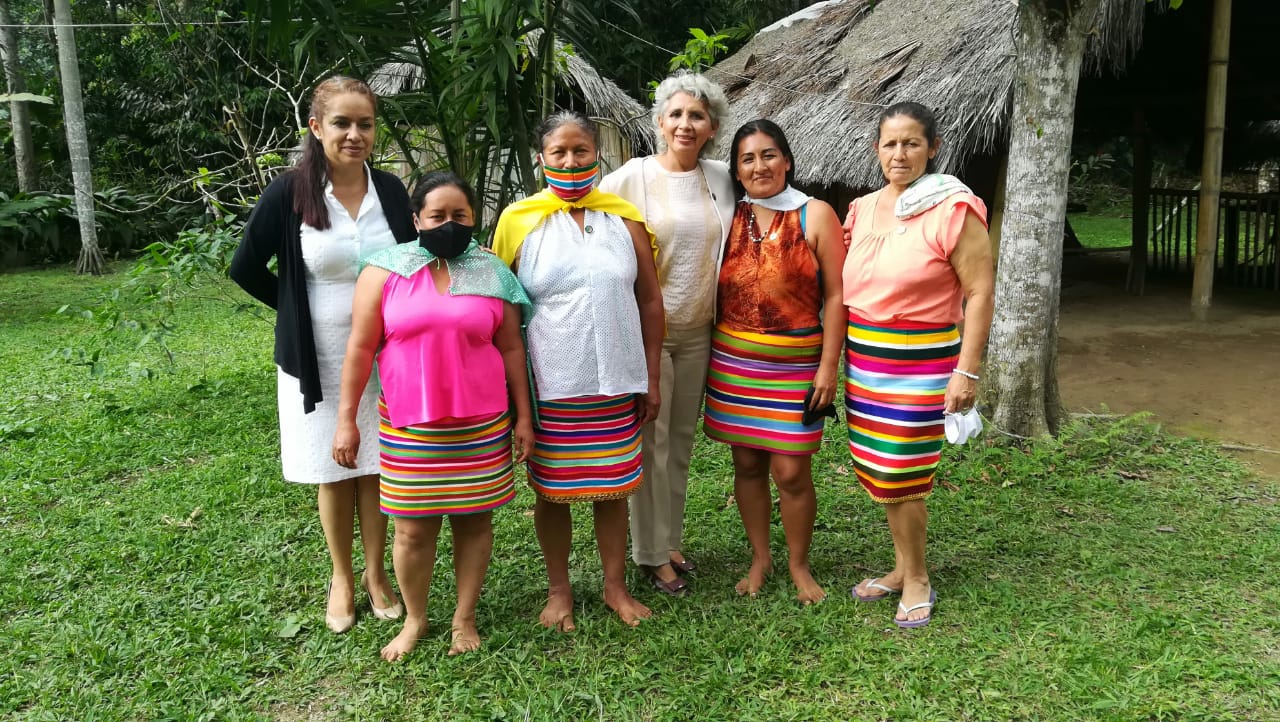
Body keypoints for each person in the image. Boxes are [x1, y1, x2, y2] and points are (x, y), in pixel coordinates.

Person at [331, 172, 535, 661]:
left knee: (474, 523)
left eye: (459, 215)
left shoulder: (492, 272)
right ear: (417, 219)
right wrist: (346, 419)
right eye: (438, 215)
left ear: (473, 218)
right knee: (411, 530)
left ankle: (464, 617)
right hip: (410, 426)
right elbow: (360, 349)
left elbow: (512, 347)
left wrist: (524, 417)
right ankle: (416, 618)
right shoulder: (384, 272)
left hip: (481, 425)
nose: (449, 223)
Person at [229, 76, 406, 634]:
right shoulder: (290, 191)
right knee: (334, 469)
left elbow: (413, 260)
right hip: (318, 354)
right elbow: (245, 266)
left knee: (377, 466)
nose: (355, 135)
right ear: (316, 126)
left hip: (386, 352)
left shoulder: (391, 191)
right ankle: (342, 577)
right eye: (341, 123)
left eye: (365, 124)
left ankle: (376, 573)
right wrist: (292, 311)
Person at [492, 110, 665, 630]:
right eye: (559, 152)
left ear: (598, 155)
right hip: (551, 385)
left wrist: (651, 377)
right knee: (553, 492)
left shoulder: (624, 218)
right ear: (541, 158)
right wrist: (516, 400)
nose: (570, 162)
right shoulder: (518, 220)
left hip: (617, 380)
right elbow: (504, 314)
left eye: (581, 151)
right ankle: (559, 590)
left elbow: (650, 300)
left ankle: (615, 587)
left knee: (613, 489)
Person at [842, 101, 995, 628]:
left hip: (922, 364)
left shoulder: (953, 208)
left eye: (911, 143)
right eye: (890, 144)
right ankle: (901, 567)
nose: (899, 154)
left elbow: (980, 292)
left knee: (900, 472)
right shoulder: (861, 209)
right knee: (879, 471)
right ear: (876, 149)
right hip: (865, 362)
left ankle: (918, 579)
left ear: (933, 148)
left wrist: (966, 371)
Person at [599, 71, 735, 596]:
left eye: (696, 116)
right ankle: (651, 554)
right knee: (651, 443)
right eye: (675, 114)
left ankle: (670, 541)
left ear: (712, 127)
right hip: (647, 333)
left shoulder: (721, 178)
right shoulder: (631, 177)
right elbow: (584, 210)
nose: (685, 124)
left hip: (700, 330)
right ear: (659, 122)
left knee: (679, 443)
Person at [703, 119, 846, 605]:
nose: (759, 166)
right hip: (733, 365)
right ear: (736, 170)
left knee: (791, 472)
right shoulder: (727, 215)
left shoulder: (815, 214)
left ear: (787, 160)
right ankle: (760, 557)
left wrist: (828, 367)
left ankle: (799, 564)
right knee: (746, 464)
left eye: (768, 155)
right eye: (747, 158)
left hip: (796, 367)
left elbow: (837, 295)